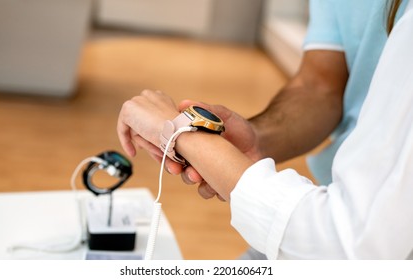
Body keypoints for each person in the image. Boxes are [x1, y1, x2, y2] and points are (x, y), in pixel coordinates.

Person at [117, 0, 413, 259]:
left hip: (337, 232)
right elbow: (320, 84)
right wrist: (255, 139)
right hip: (321, 209)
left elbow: (345, 245)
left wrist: (180, 133)